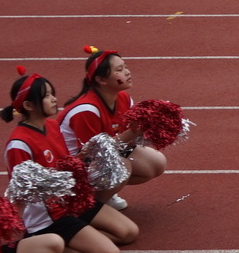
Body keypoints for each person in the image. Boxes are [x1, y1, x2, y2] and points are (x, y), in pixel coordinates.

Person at [1, 69, 137, 253]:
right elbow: (22, 191)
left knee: (129, 233)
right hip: (46, 217)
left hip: (71, 202)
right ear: (28, 105)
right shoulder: (19, 144)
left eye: (52, 93)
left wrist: (84, 155)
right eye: (46, 96)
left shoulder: (52, 126)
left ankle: (74, 238)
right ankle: (45, 244)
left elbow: (64, 163)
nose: (54, 99)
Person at [61, 46, 166, 202]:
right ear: (101, 80)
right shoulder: (86, 110)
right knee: (121, 167)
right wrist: (133, 131)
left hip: (101, 155)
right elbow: (92, 153)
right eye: (119, 70)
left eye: (126, 67)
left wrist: (154, 127)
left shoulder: (124, 98)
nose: (127, 72)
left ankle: (104, 194)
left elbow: (126, 142)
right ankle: (90, 206)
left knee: (156, 163)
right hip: (71, 166)